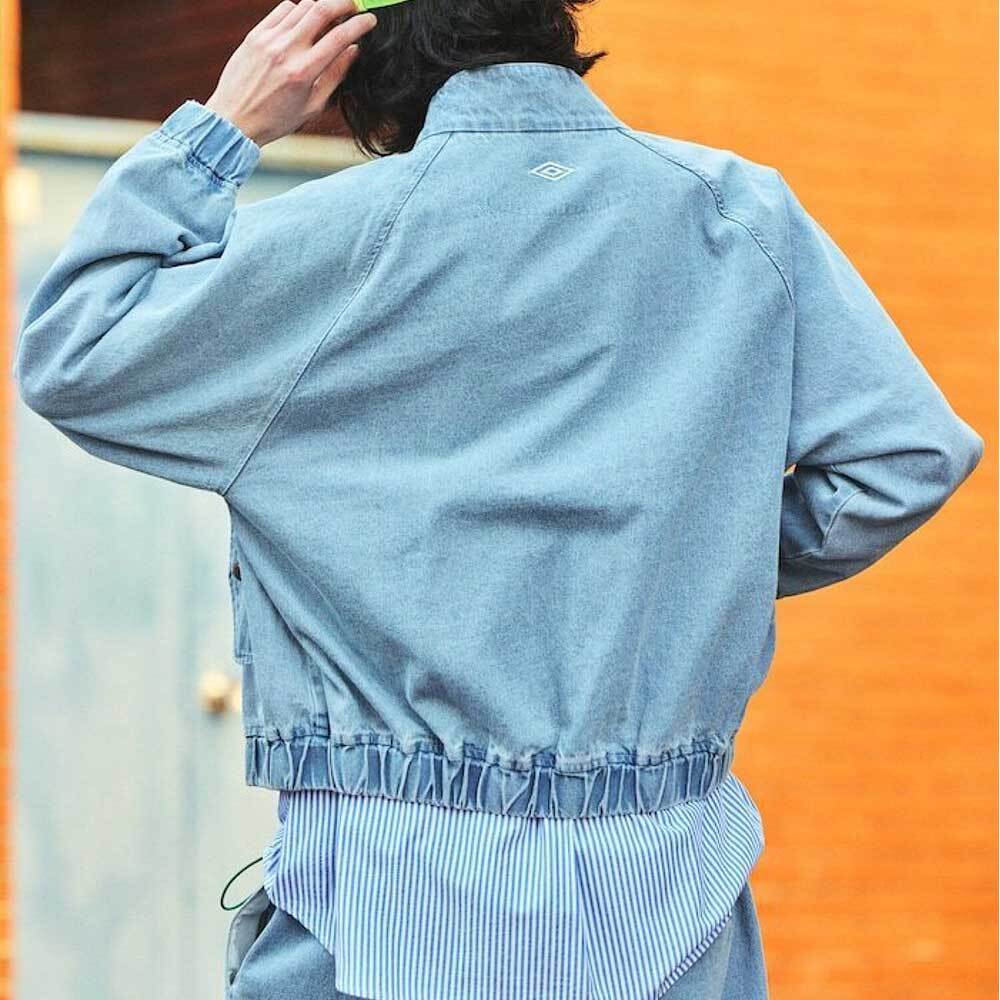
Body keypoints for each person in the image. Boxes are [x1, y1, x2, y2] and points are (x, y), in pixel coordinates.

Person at [12, 1, 985, 998]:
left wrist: (225, 126)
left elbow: (76, 348)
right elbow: (904, 456)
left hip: (382, 903)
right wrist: (683, 567)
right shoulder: (741, 216)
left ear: (354, 58)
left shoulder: (336, 242)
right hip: (674, 902)